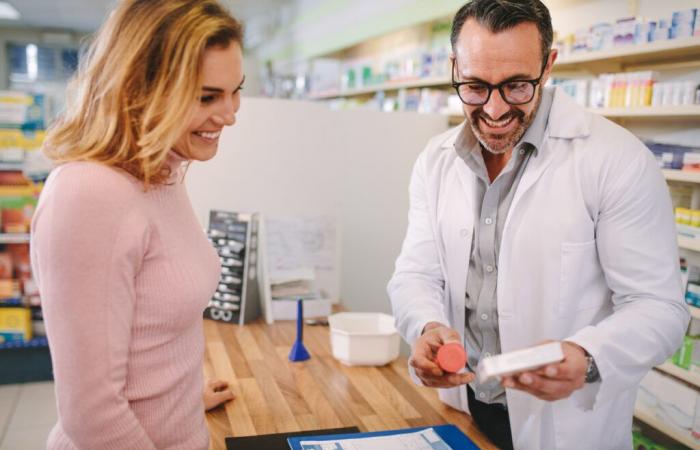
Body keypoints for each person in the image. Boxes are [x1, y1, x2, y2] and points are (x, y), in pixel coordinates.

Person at [387, 1, 690, 449]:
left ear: (548, 66)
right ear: (454, 67)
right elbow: (415, 273)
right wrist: (428, 326)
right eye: (474, 86)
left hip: (566, 428)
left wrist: (588, 357)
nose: (493, 109)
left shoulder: (616, 160)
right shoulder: (435, 160)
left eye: (516, 86)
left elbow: (661, 308)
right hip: (464, 409)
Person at [30, 0, 244, 448]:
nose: (229, 114)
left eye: (234, 90)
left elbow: (147, 338)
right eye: (207, 96)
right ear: (139, 87)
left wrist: (184, 402)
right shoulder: (88, 193)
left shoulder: (163, 169)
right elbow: (92, 414)